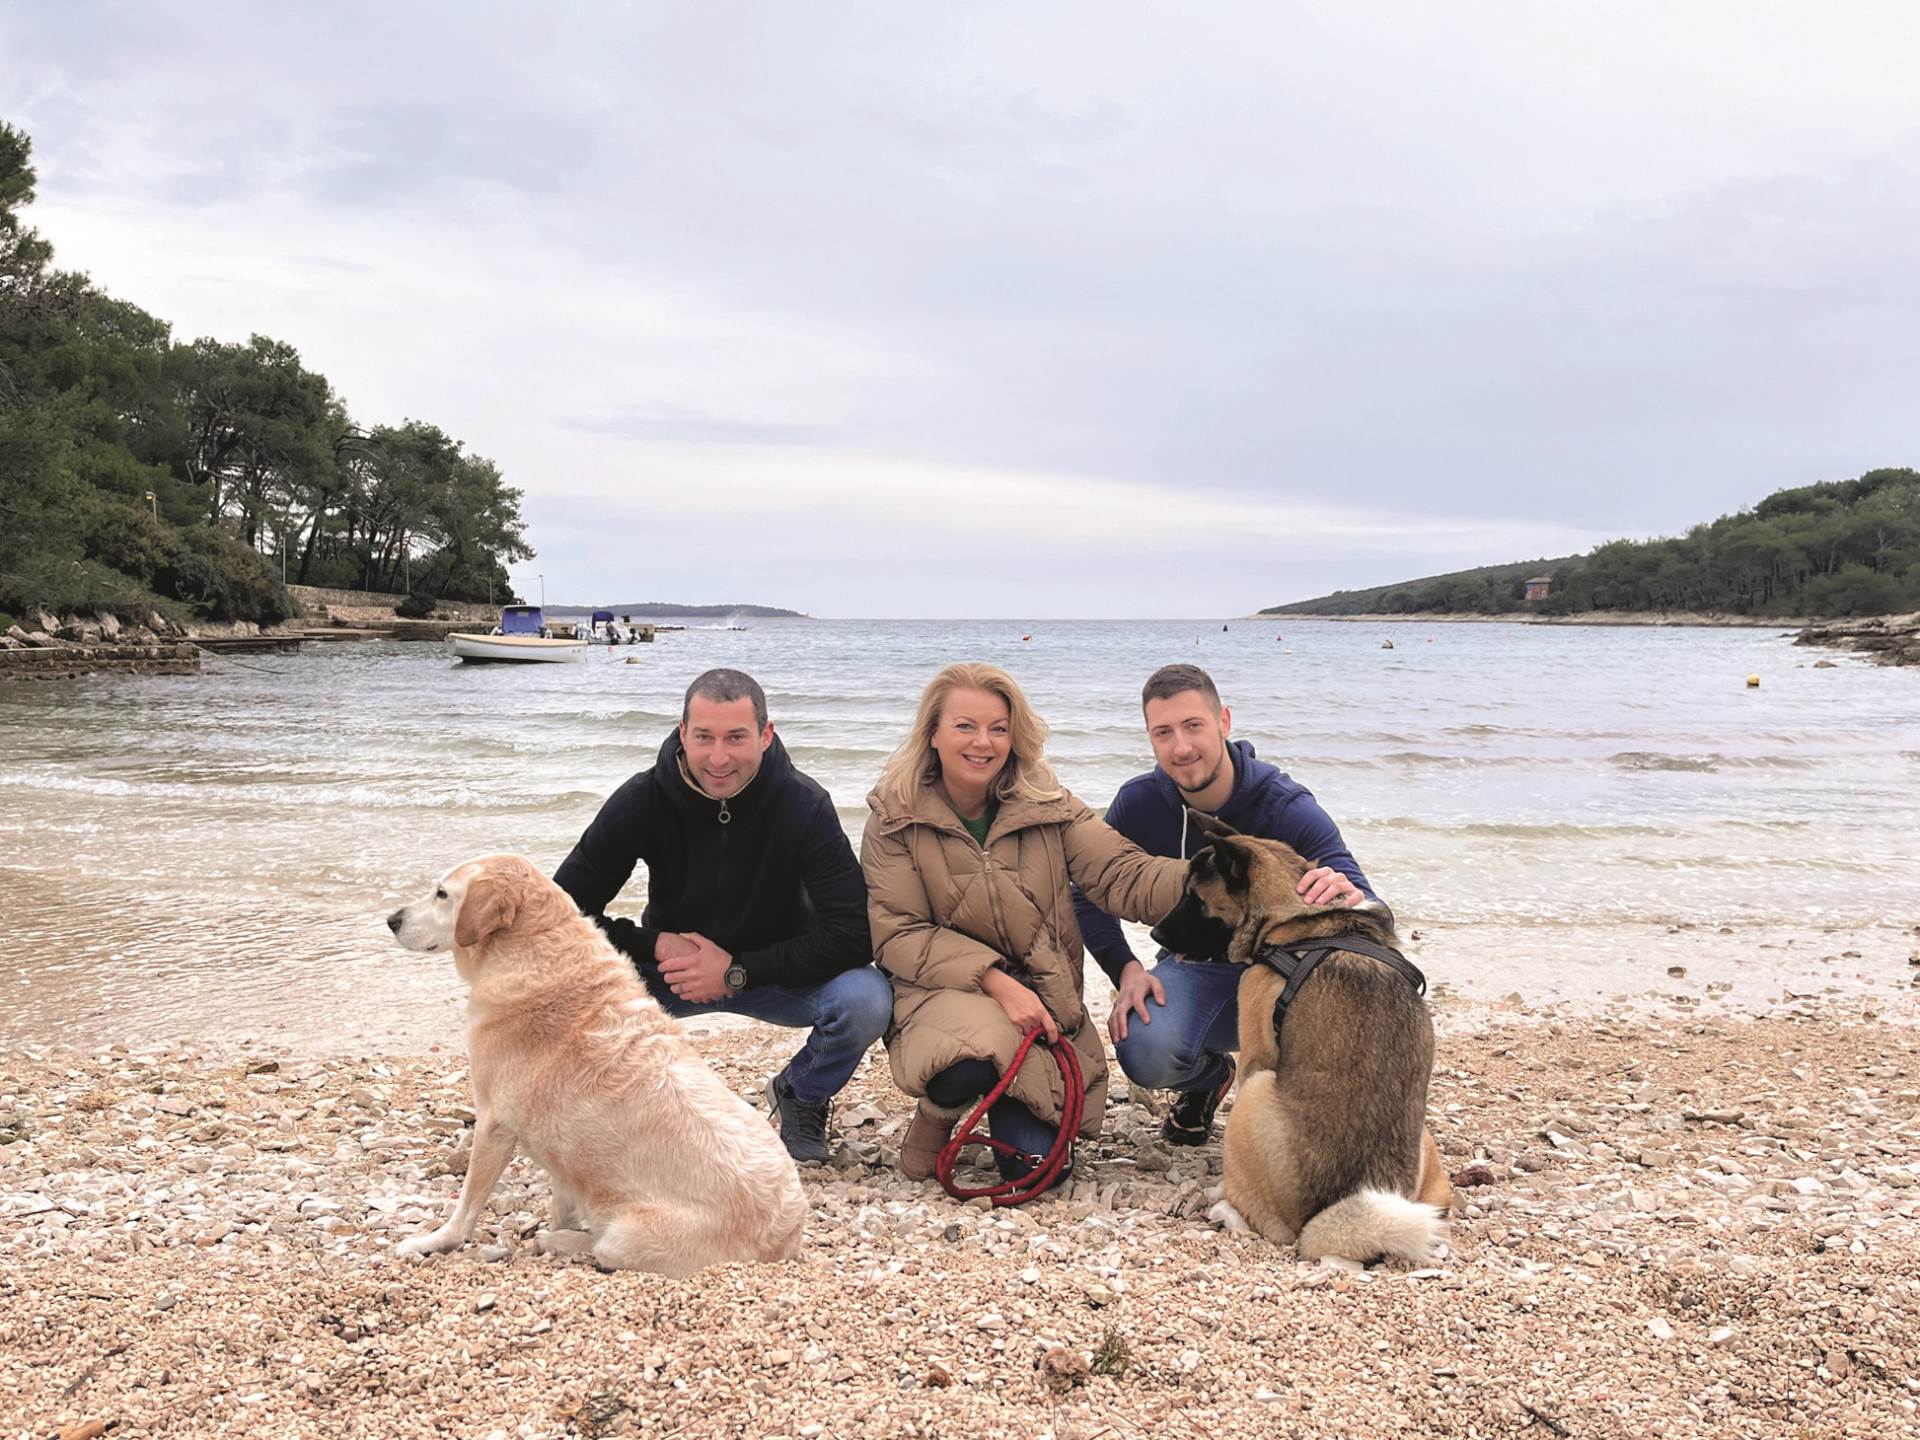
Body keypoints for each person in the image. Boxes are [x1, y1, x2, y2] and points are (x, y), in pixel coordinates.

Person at [861, 663, 1187, 1193]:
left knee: (1038, 1173)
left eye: (998, 728)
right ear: (934, 734)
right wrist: (996, 981)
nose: (983, 743)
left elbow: (1123, 874)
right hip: (939, 993)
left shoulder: (1047, 804)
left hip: (1044, 1005)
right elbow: (898, 935)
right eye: (965, 726)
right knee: (973, 1056)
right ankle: (940, 1110)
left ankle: (1008, 1110)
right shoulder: (895, 816)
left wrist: (1217, 877)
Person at [554, 667, 891, 1164]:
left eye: (736, 738)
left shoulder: (804, 805)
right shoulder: (643, 800)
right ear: (683, 732)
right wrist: (656, 945)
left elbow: (855, 934)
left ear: (765, 734)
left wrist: (737, 970)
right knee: (566, 988)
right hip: (675, 972)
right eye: (704, 737)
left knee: (867, 998)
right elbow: (563, 913)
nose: (718, 758)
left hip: (781, 972)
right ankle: (619, 1108)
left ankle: (803, 1092)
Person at [1073, 662, 1388, 1148]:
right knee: (1146, 1047)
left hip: (1290, 981)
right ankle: (1205, 1081)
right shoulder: (1139, 803)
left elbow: (1371, 906)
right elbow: (1088, 892)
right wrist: (1126, 970)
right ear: (1149, 739)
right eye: (1163, 733)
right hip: (1201, 971)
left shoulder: (1283, 805)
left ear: (1224, 722)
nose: (1181, 747)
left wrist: (1350, 894)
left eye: (1193, 725)